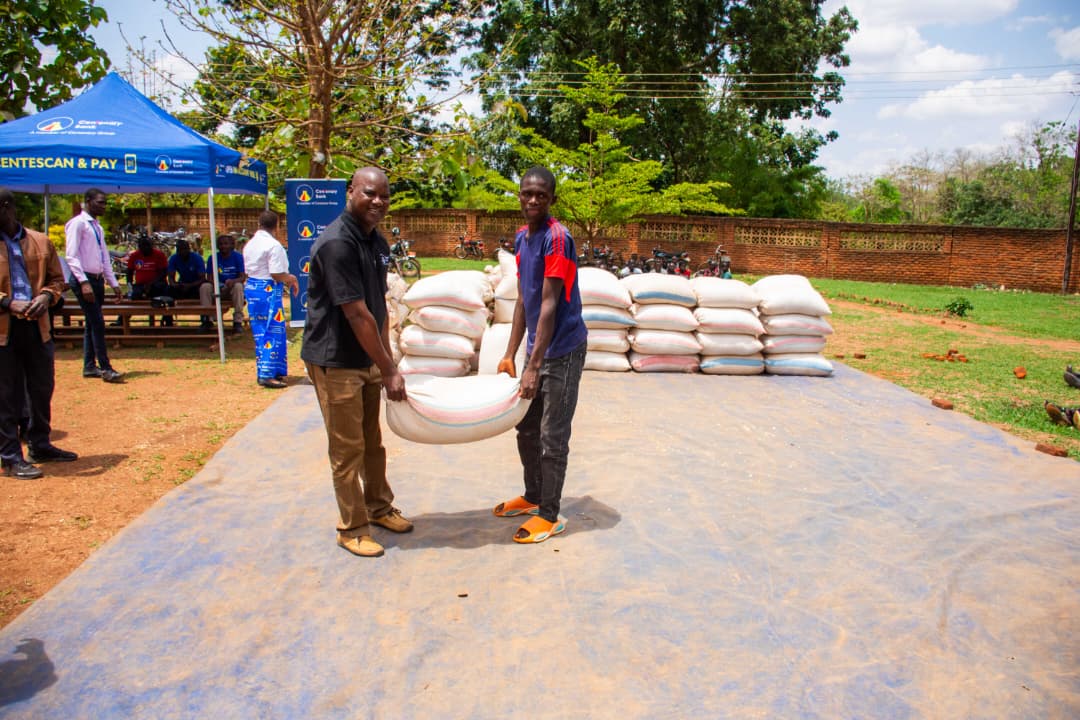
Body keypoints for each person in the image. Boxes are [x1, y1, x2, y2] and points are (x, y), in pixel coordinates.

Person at [301, 167, 411, 558]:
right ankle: (352, 528)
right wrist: (389, 369)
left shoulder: (376, 241)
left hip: (365, 356)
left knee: (372, 442)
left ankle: (379, 508)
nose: (378, 202)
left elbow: (378, 307)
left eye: (384, 196)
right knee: (347, 449)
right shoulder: (337, 244)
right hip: (336, 361)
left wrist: (385, 358)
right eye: (369, 194)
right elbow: (356, 314)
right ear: (351, 192)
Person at [495, 166, 588, 544]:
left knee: (553, 435)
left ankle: (550, 515)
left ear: (552, 200)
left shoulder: (557, 239)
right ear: (519, 196)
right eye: (526, 193)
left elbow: (549, 305)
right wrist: (509, 353)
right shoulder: (522, 239)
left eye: (541, 195)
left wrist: (534, 366)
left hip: (562, 350)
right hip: (537, 349)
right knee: (526, 427)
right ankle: (533, 495)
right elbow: (524, 299)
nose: (532, 200)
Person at [0, 188, 78, 479]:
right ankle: (9, 457)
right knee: (6, 394)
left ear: (7, 208)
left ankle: (40, 444)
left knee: (41, 386)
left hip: (37, 326)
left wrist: (46, 296)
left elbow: (58, 280)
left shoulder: (40, 242)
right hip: (4, 329)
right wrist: (8, 302)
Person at [64, 188, 124, 383]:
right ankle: (106, 368)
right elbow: (71, 256)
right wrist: (83, 282)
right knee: (98, 322)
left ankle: (89, 366)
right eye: (100, 202)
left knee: (92, 322)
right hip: (85, 280)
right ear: (88, 201)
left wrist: (114, 283)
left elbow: (104, 257)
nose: (104, 206)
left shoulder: (97, 227)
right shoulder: (77, 224)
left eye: (105, 203)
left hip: (97, 279)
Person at [242, 211, 298, 388]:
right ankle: (267, 375)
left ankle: (272, 370)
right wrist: (291, 279)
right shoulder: (274, 246)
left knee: (261, 332)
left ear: (259, 223)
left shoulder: (249, 245)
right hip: (267, 290)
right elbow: (276, 273)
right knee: (271, 331)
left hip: (252, 288)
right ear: (277, 225)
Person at [165, 239, 212, 329]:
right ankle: (168, 318)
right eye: (180, 250)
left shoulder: (197, 258)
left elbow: (202, 278)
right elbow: (170, 276)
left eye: (185, 249)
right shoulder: (174, 258)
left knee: (203, 289)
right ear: (177, 250)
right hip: (182, 284)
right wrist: (174, 284)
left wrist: (189, 286)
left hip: (196, 285)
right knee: (168, 290)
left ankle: (205, 319)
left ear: (188, 249)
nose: (183, 252)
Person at [206, 233, 246, 332]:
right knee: (205, 286)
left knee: (238, 286)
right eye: (220, 244)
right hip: (217, 287)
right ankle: (207, 319)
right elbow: (209, 277)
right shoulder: (213, 258)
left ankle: (237, 321)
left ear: (232, 245)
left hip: (232, 288)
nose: (223, 246)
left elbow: (243, 277)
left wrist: (233, 281)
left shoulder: (238, 257)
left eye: (226, 244)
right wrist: (218, 285)